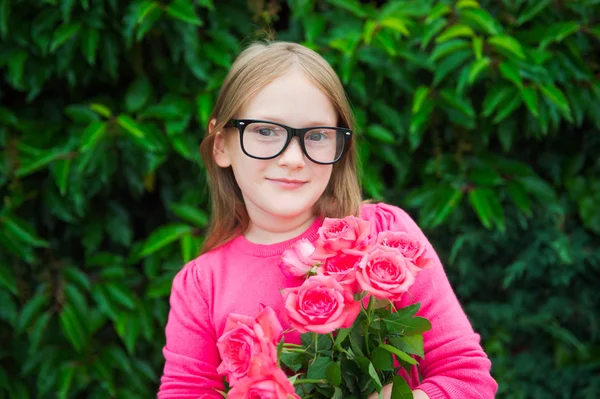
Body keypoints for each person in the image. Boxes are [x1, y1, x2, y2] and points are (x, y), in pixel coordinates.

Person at [158, 40, 498, 399]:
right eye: (265, 131)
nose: (292, 158)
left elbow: (466, 376)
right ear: (221, 144)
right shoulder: (201, 284)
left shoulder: (385, 236)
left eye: (317, 135)